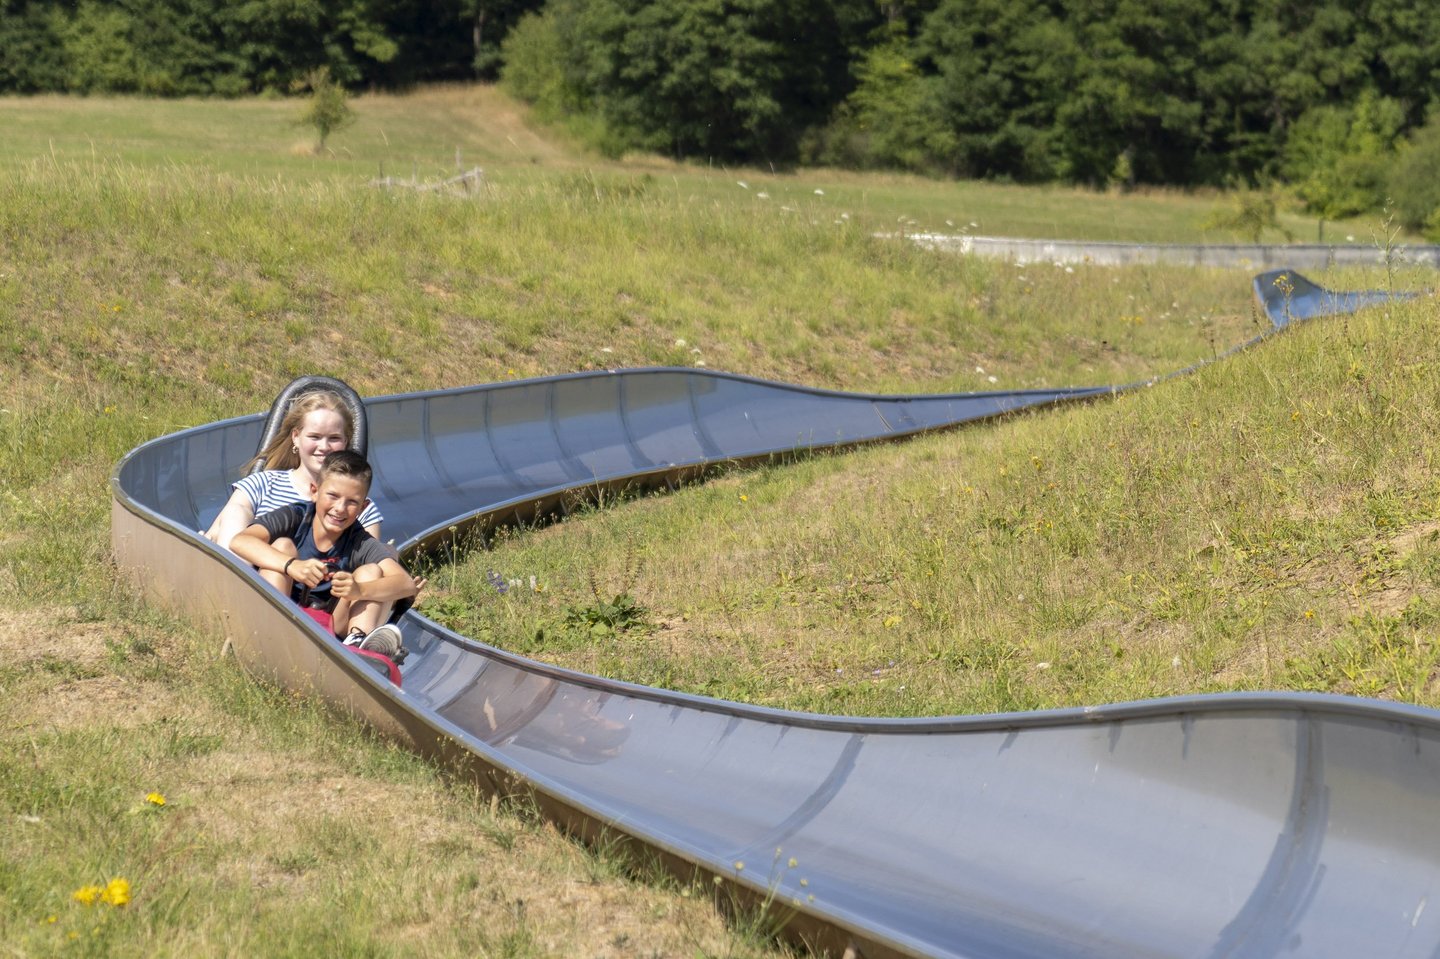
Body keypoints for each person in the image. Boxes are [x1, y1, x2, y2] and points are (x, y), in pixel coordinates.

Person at [228, 449, 420, 659]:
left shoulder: (359, 540)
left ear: (363, 507)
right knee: (282, 545)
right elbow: (240, 541)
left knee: (372, 571)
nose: (340, 508)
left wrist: (359, 589)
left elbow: (406, 583)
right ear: (315, 491)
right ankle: (272, 630)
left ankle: (359, 646)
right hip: (285, 609)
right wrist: (292, 565)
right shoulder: (296, 517)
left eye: (352, 502)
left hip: (332, 622)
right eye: (333, 496)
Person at [204, 390, 383, 550]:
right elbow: (213, 534)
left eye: (334, 438)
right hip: (251, 571)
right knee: (236, 512)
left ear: (346, 442)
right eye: (315, 436)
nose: (324, 446)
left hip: (316, 581)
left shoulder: (357, 506)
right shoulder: (262, 484)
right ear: (296, 438)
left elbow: (368, 563)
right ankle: (239, 579)